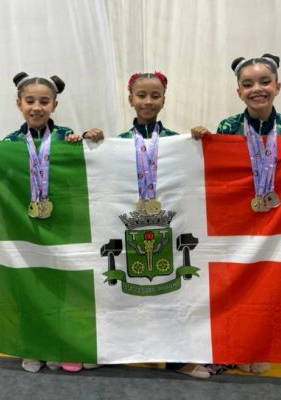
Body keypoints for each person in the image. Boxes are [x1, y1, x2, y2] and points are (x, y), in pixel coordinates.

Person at [0, 72, 103, 373]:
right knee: (28, 285)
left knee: (64, 286)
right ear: (19, 104)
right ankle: (32, 347)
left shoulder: (65, 136)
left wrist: (91, 139)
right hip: (25, 225)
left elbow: (86, 169)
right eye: (30, 101)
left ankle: (64, 346)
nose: (37, 107)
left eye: (44, 101)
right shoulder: (11, 142)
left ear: (54, 105)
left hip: (62, 224)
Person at [191, 53, 281, 374]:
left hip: (275, 219)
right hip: (236, 221)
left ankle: (259, 346)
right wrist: (201, 139)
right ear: (238, 91)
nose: (257, 89)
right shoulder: (228, 127)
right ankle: (233, 346)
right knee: (235, 284)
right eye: (248, 84)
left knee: (268, 282)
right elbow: (217, 170)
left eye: (265, 81)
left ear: (278, 86)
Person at [119, 71, 211, 379]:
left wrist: (201, 140)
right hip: (129, 230)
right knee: (128, 294)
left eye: (155, 96)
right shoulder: (116, 143)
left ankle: (177, 358)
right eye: (141, 95)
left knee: (174, 293)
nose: (148, 101)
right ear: (130, 99)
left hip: (171, 229)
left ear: (163, 100)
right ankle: (122, 350)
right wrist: (92, 142)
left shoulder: (178, 141)